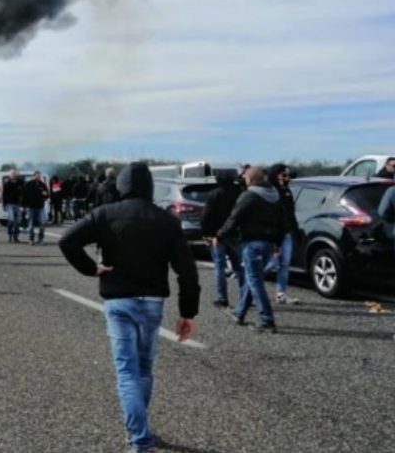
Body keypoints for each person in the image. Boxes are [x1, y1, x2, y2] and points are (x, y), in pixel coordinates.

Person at [58, 163, 200, 453]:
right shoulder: (166, 219)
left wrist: (91, 269)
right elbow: (187, 271)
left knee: (127, 371)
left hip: (118, 298)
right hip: (152, 301)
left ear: (121, 186)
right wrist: (188, 312)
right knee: (144, 369)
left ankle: (139, 439)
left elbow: (67, 240)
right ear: (150, 186)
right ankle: (140, 430)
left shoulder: (106, 213)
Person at [218, 166, 283, 333]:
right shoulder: (275, 195)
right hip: (268, 244)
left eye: (246, 177)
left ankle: (266, 318)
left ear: (251, 179)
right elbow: (282, 221)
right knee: (251, 278)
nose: (244, 180)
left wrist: (219, 236)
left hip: (252, 243)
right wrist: (277, 243)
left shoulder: (249, 196)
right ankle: (239, 312)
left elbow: (234, 218)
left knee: (255, 281)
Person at [200, 171, 244, 308]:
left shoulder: (215, 194)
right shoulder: (240, 192)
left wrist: (206, 233)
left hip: (217, 235)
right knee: (240, 267)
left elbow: (206, 216)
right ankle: (246, 296)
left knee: (219, 267)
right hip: (236, 233)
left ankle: (222, 298)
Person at [267, 164, 301, 305]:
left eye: (288, 175)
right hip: (274, 234)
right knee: (270, 265)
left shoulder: (287, 191)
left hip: (287, 232)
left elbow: (291, 213)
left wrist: (296, 230)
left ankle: (281, 293)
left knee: (285, 264)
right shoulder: (270, 192)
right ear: (276, 176)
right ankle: (248, 290)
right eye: (284, 175)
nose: (288, 178)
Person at [22, 171, 50, 245]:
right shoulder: (28, 184)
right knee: (31, 224)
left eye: (39, 176)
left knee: (43, 222)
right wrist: (23, 206)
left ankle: (41, 239)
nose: (38, 177)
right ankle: (31, 239)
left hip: (40, 206)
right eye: (37, 176)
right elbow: (24, 195)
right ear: (33, 176)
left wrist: (46, 195)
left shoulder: (42, 185)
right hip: (30, 207)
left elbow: (47, 195)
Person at [2, 170, 23, 243]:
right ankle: (10, 234)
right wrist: (4, 205)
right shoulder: (7, 184)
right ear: (9, 175)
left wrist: (23, 204)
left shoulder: (20, 182)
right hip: (9, 204)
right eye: (12, 174)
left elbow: (23, 193)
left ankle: (15, 237)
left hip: (18, 204)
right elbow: (4, 195)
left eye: (15, 174)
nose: (13, 175)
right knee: (11, 219)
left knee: (18, 221)